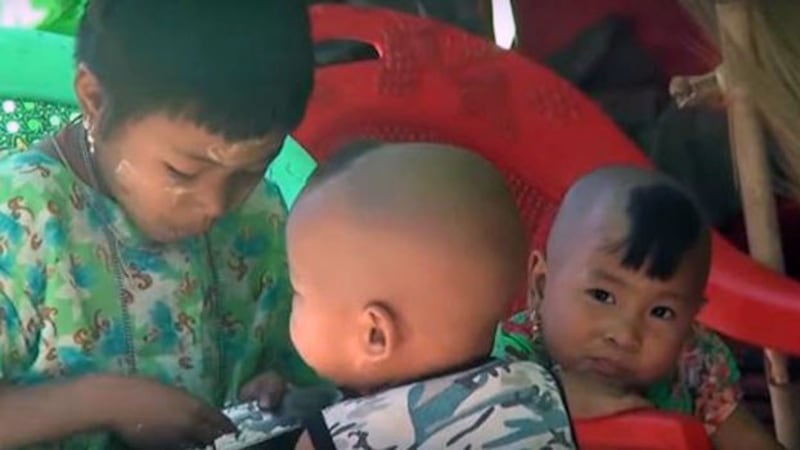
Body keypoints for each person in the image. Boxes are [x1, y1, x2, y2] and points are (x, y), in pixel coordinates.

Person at [0, 1, 323, 449]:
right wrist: (102, 401)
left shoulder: (259, 217)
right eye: (182, 173)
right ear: (94, 100)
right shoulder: (20, 219)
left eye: (251, 169)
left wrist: (273, 392)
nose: (214, 204)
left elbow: (305, 367)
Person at [285, 142, 576, 449]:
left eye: (298, 292)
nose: (292, 304)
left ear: (375, 335)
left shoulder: (337, 437)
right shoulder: (540, 390)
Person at [494, 166, 783, 449]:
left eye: (661, 312)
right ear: (541, 285)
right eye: (602, 295)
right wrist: (550, 400)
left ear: (690, 323)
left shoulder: (692, 363)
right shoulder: (501, 369)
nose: (625, 335)